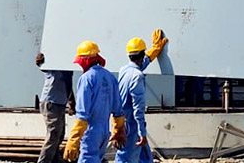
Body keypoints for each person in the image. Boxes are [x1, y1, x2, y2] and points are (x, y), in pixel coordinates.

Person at [64, 41, 126, 163]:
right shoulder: (110, 77)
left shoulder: (86, 78)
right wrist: (119, 130)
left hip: (90, 132)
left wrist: (74, 139)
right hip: (105, 131)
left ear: (84, 60)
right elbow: (118, 110)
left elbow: (82, 114)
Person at [115, 30, 169, 163]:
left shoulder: (124, 70)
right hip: (132, 124)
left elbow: (141, 64)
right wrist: (142, 133)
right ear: (142, 54)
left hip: (123, 121)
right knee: (126, 158)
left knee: (144, 158)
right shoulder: (137, 76)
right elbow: (138, 109)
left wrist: (154, 50)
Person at [35, 52, 72, 163]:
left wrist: (71, 101)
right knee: (53, 134)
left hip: (59, 102)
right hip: (51, 101)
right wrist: (40, 61)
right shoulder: (54, 61)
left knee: (59, 134)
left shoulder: (68, 66)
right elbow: (43, 65)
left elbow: (68, 84)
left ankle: (54, 159)